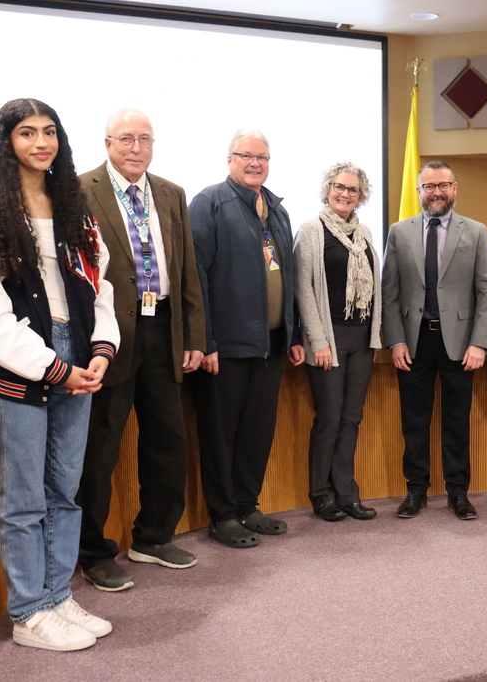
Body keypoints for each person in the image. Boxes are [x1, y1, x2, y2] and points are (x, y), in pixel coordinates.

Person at [0, 98, 119, 651]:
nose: (41, 142)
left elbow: (102, 286)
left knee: (65, 491)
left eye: (49, 132)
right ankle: (28, 612)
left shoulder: (75, 208)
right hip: (22, 364)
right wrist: (54, 368)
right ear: (6, 142)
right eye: (27, 133)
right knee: (24, 499)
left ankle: (54, 594)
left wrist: (99, 350)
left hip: (78, 356)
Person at [75, 107, 206, 591]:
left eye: (144, 139)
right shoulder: (79, 189)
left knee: (167, 442)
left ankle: (152, 537)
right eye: (126, 139)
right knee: (101, 449)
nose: (136, 148)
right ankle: (93, 551)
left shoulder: (171, 193)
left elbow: (187, 270)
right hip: (108, 338)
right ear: (107, 143)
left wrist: (194, 336)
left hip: (164, 328)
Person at [189, 129, 305, 547]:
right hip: (226, 349)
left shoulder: (275, 208)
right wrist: (206, 341)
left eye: (262, 157)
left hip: (269, 346)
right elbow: (194, 278)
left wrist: (292, 332)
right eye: (246, 155)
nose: (255, 163)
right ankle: (222, 516)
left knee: (257, 431)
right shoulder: (209, 204)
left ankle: (246, 504)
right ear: (229, 159)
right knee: (222, 437)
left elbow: (286, 275)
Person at [382, 160, 487, 521]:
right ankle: (415, 490)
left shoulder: (476, 231)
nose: (436, 192)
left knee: (456, 421)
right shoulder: (399, 232)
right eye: (429, 186)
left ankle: (458, 493)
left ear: (455, 188)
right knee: (414, 421)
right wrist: (395, 341)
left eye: (443, 185)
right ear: (419, 191)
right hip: (414, 342)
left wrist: (479, 343)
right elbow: (389, 294)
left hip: (461, 344)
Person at [294, 162, 382, 522]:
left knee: (351, 419)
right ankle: (321, 494)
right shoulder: (311, 231)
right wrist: (318, 341)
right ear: (327, 188)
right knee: (329, 419)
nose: (345, 194)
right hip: (327, 341)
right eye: (339, 187)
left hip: (361, 340)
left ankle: (347, 492)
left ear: (361, 197)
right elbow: (304, 291)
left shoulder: (365, 235)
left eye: (353, 190)